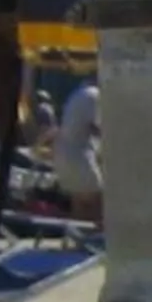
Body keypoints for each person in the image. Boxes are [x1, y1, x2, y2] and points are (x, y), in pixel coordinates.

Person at [51, 80, 103, 224]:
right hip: (79, 157)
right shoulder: (95, 95)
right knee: (101, 203)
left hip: (63, 156)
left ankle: (76, 243)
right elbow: (100, 128)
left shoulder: (76, 94)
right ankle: (97, 243)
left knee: (80, 206)